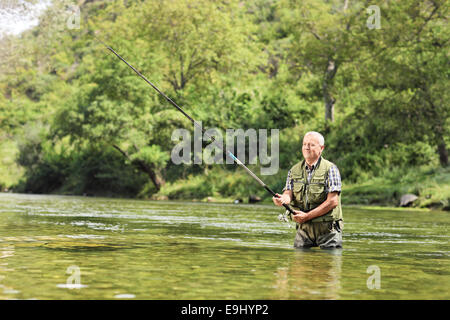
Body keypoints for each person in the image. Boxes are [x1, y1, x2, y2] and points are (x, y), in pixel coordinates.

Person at [273, 131, 343, 249]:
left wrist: (307, 216)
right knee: (299, 265)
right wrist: (282, 199)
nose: (306, 147)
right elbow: (288, 193)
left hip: (328, 230)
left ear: (321, 148)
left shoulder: (331, 169)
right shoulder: (293, 170)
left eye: (311, 144)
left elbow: (333, 201)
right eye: (304, 144)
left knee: (330, 264)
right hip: (304, 230)